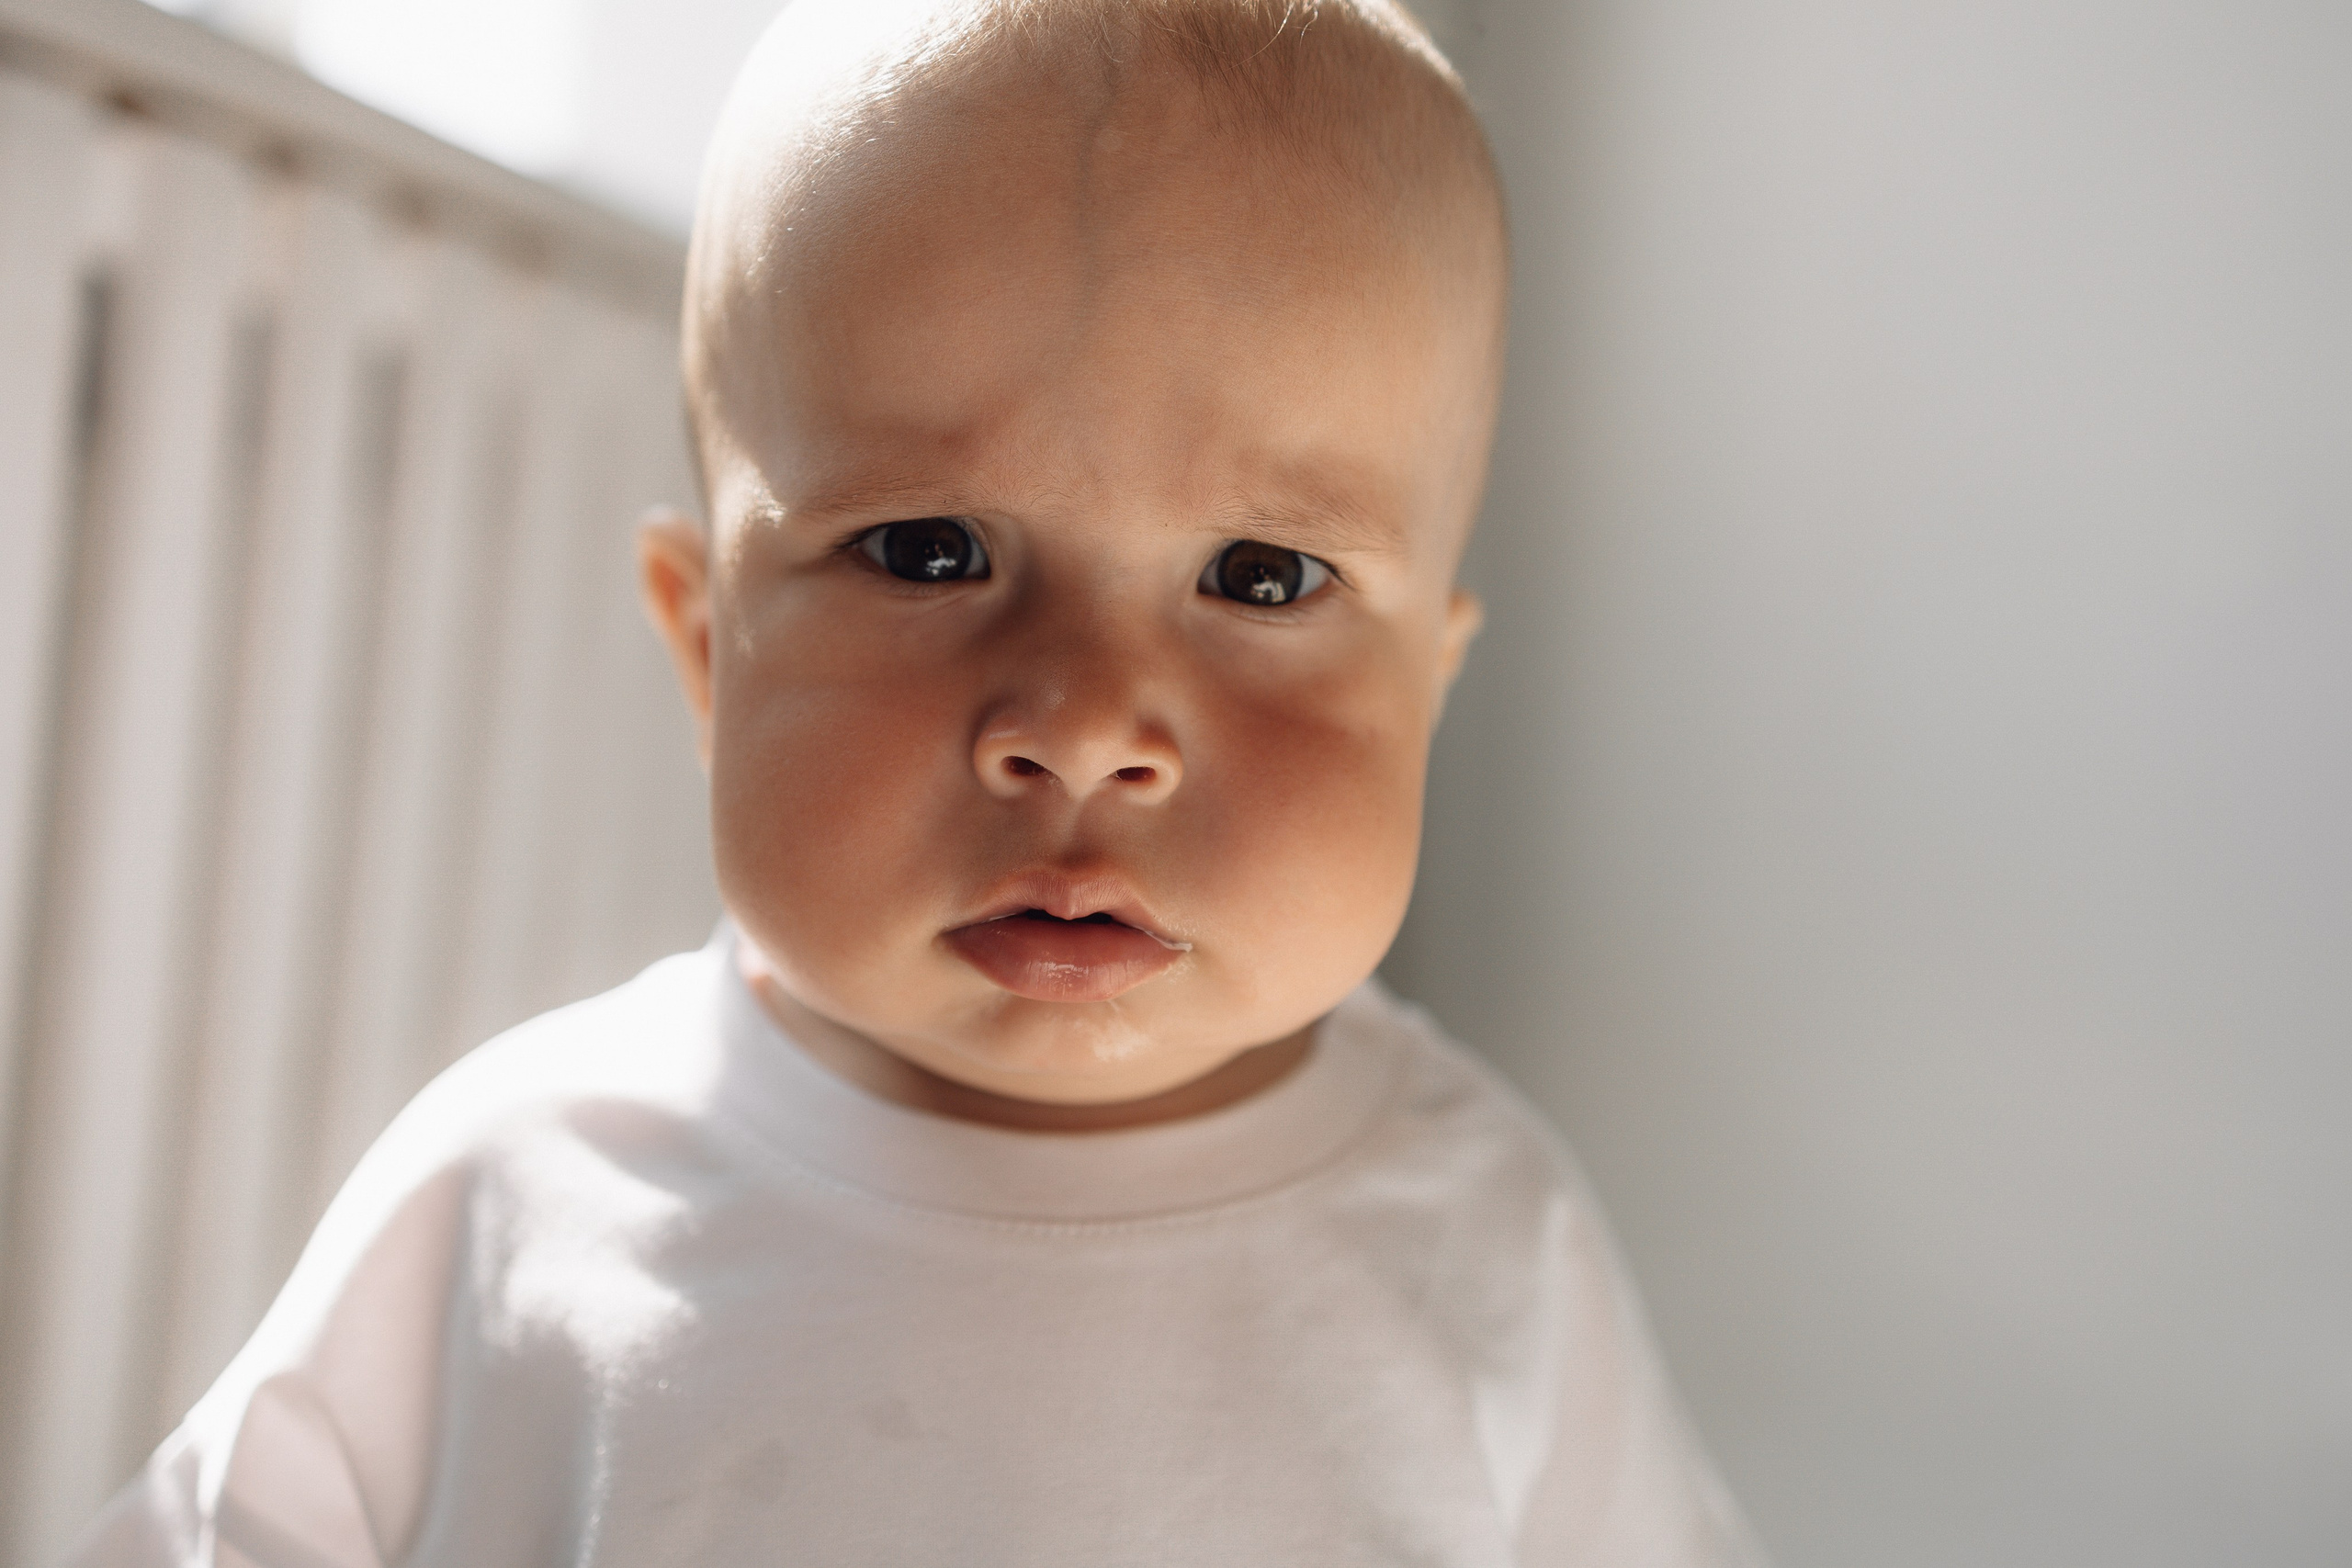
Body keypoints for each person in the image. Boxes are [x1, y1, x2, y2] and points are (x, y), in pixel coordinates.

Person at [74, 0, 1763, 1562]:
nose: (1089, 722)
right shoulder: (513, 1200)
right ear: (710, 649)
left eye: (1261, 575)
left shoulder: (1483, 1242)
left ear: (1429, 682)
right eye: (931, 548)